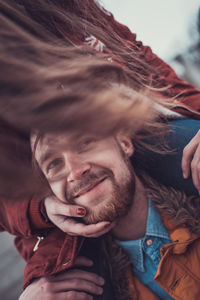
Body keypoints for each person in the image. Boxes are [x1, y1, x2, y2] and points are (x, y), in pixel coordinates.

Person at [0, 1, 200, 298]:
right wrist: (39, 208)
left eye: (84, 143)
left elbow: (148, 66)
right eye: (54, 164)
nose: (75, 168)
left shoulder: (73, 9)